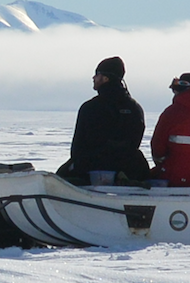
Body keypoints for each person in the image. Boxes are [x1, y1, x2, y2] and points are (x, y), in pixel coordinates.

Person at [55, 57, 149, 186]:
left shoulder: (91, 107)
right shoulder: (135, 108)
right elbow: (134, 142)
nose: (93, 78)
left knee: (60, 176)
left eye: (97, 74)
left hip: (92, 169)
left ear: (106, 78)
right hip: (130, 168)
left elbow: (78, 148)